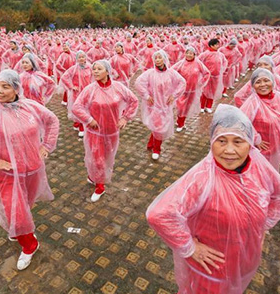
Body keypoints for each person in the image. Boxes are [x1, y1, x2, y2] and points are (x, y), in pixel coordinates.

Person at [146, 104, 280, 294]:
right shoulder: (202, 178)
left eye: (238, 141)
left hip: (246, 258)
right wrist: (189, 248)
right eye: (221, 141)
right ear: (211, 141)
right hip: (212, 269)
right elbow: (159, 214)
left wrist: (265, 225)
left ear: (249, 142)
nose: (229, 150)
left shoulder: (259, 168)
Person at [0, 70, 60, 271]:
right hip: (8, 174)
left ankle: (18, 228)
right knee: (14, 209)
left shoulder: (31, 107)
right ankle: (29, 245)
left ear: (16, 88)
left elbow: (52, 121)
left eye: (5, 86)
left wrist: (46, 146)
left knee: (25, 205)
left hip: (33, 169)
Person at [72, 60, 139, 202]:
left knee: (107, 158)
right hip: (94, 132)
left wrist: (125, 118)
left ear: (107, 71)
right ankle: (100, 186)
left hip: (112, 131)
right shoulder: (90, 89)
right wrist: (89, 119)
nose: (95, 71)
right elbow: (77, 106)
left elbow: (133, 101)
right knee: (97, 158)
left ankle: (94, 177)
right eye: (94, 69)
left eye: (99, 69)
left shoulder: (119, 87)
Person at [135, 50, 186, 160]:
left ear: (164, 59)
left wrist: (174, 95)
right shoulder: (150, 73)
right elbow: (138, 83)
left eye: (159, 58)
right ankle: (156, 149)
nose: (157, 60)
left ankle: (152, 144)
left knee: (159, 126)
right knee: (159, 126)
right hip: (154, 106)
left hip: (166, 105)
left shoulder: (171, 73)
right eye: (155, 58)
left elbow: (182, 82)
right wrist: (146, 96)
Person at [238, 68, 280, 171]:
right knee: (259, 170)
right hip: (261, 148)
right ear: (253, 86)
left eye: (266, 80)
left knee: (272, 169)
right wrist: (256, 139)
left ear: (273, 81)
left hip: (277, 144)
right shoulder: (252, 102)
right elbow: (241, 122)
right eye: (258, 82)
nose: (263, 84)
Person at [172, 47, 211, 132]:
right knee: (180, 107)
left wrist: (201, 83)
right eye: (187, 53)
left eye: (191, 53)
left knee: (186, 108)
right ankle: (180, 123)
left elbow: (207, 73)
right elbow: (172, 71)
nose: (189, 55)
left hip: (192, 90)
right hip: (182, 90)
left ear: (194, 54)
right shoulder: (181, 63)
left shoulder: (198, 63)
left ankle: (181, 122)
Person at [59, 51, 93, 137]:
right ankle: (81, 127)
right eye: (79, 57)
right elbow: (64, 77)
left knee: (86, 109)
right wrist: (71, 86)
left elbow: (94, 77)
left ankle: (78, 124)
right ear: (77, 59)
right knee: (79, 109)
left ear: (85, 58)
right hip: (77, 93)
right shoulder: (73, 69)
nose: (81, 59)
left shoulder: (90, 67)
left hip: (87, 92)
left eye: (83, 57)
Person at [198, 39, 228, 113]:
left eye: (218, 44)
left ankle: (208, 106)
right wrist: (203, 72)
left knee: (213, 91)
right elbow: (198, 62)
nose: (218, 46)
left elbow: (225, 62)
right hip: (207, 76)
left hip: (216, 76)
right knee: (205, 91)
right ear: (211, 45)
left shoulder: (220, 54)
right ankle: (202, 106)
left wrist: (222, 70)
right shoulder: (205, 54)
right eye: (216, 44)